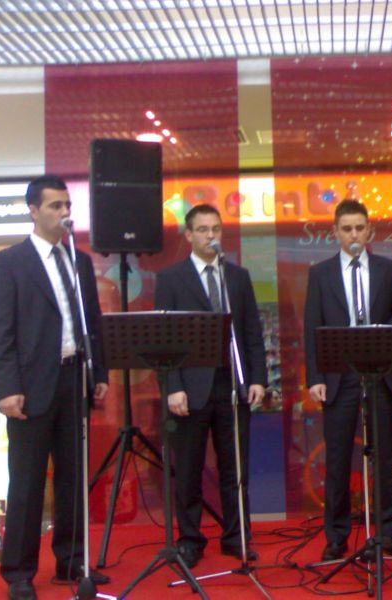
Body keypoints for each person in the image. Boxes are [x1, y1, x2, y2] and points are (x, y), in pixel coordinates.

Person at [0, 175, 110, 600]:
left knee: (73, 477)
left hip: (74, 379)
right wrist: (6, 388)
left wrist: (99, 373)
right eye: (55, 206)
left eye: (66, 205)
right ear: (34, 210)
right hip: (30, 386)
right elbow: (0, 332)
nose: (64, 213)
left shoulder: (79, 260)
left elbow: (92, 322)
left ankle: (72, 560)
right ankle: (18, 571)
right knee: (27, 482)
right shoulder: (9, 263)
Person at [154, 204, 267, 568]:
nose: (210, 236)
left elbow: (251, 332)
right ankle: (190, 539)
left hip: (232, 385)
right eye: (202, 230)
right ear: (189, 235)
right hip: (190, 388)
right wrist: (173, 385)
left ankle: (237, 537)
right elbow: (163, 339)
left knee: (236, 468)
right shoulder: (171, 279)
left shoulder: (237, 277)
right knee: (188, 469)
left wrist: (257, 378)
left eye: (215, 229)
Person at [304, 199, 392, 562]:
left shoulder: (388, 269)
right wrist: (315, 376)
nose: (354, 234)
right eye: (347, 228)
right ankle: (336, 537)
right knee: (337, 458)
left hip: (378, 372)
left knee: (382, 455)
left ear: (369, 231)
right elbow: (312, 328)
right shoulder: (320, 274)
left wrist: (380, 331)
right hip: (338, 376)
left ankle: (386, 534)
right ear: (335, 232)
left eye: (360, 228)